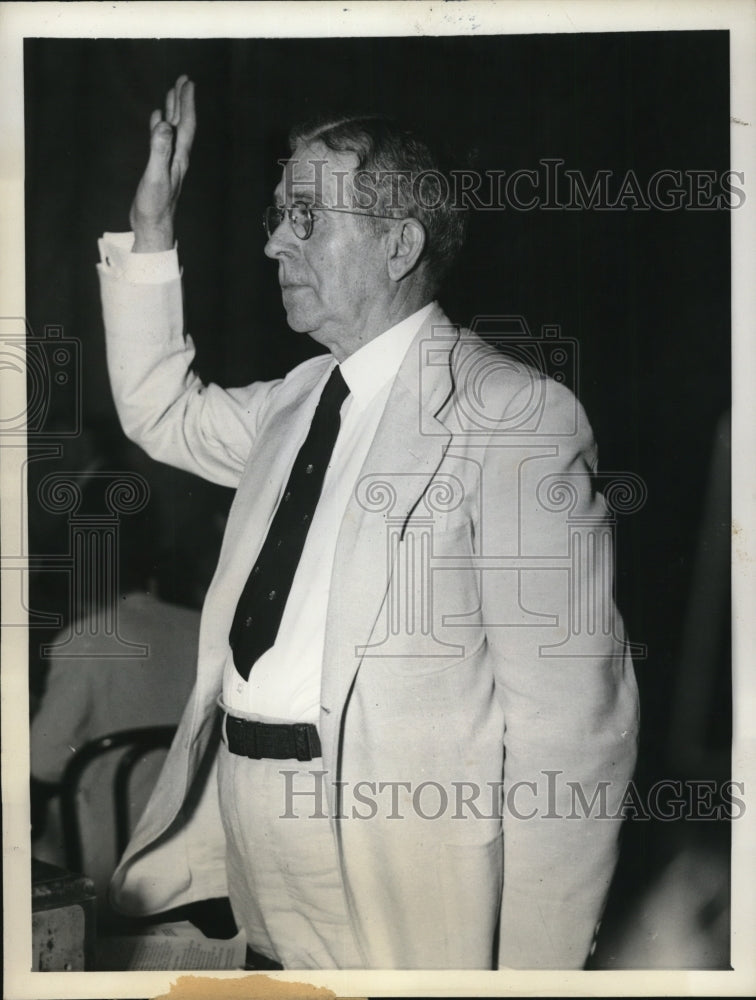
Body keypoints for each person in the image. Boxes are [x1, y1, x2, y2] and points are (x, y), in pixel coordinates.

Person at [97, 75, 639, 970]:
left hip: (393, 864)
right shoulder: (297, 399)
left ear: (398, 245)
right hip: (245, 828)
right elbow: (159, 409)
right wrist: (151, 230)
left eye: (305, 217)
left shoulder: (515, 416)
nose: (273, 242)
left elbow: (571, 731)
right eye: (277, 216)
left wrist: (533, 976)